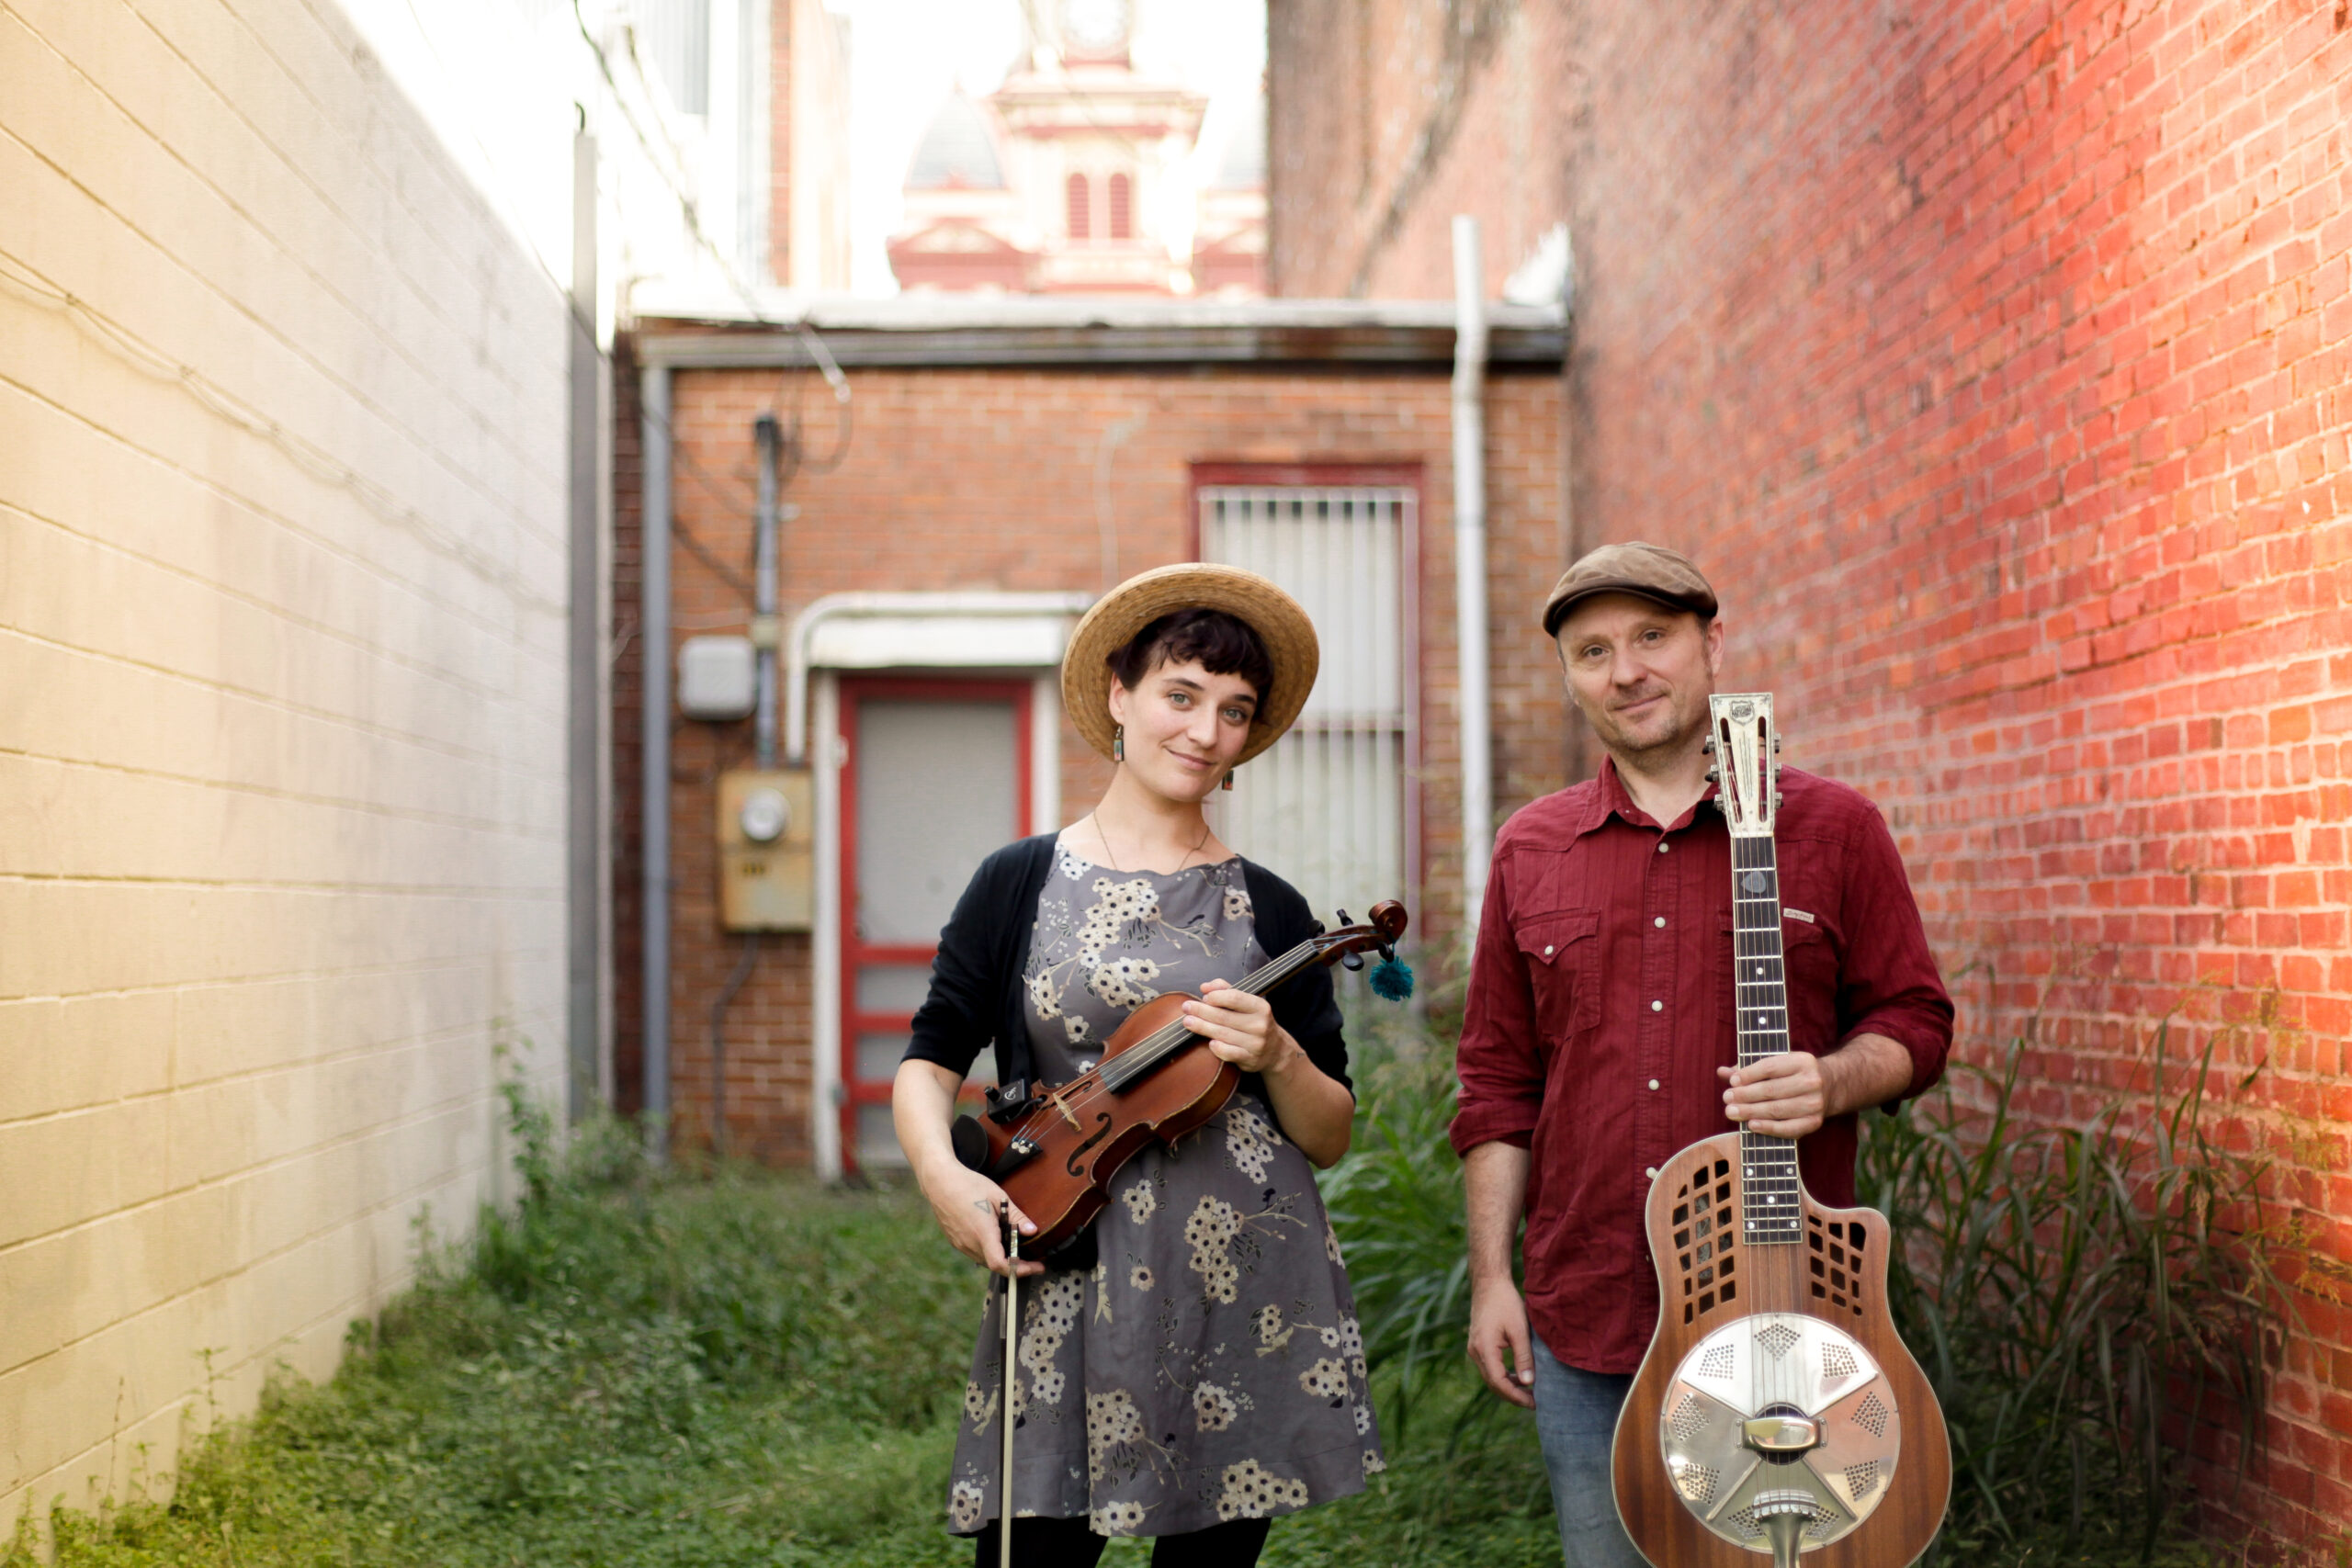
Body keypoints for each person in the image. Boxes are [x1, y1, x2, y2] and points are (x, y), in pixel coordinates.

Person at [1449, 541, 1955, 1568]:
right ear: (1568, 676)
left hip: (1791, 1319)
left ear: (1710, 645)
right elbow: (1496, 1084)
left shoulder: (1834, 828)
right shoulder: (1530, 849)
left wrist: (1833, 1078)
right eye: (1592, 651)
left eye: (1650, 637)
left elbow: (1916, 1020)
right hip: (1587, 1310)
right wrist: (1490, 1277)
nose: (1624, 671)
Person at [893, 563, 1385, 1568]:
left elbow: (1328, 1136)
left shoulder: (1275, 911)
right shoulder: (1019, 881)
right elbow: (932, 1056)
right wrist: (944, 1179)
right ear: (1120, 697)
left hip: (1239, 1282)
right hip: (1066, 1260)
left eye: (1235, 711)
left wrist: (1279, 1051)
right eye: (1181, 695)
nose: (1205, 731)